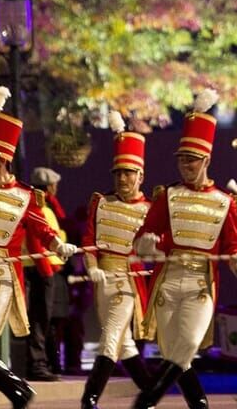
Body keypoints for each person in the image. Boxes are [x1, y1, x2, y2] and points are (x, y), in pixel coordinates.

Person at [0, 87, 79, 409]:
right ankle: (17, 391)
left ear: (2, 159)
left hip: (2, 275)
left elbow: (41, 228)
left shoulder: (25, 196)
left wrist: (58, 245)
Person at [131, 89, 237, 409]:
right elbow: (144, 236)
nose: (185, 165)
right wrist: (146, 245)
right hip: (168, 282)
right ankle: (199, 405)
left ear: (206, 160)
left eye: (192, 159)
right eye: (182, 159)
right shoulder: (166, 196)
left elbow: (232, 246)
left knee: (186, 346)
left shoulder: (225, 202)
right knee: (175, 355)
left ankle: (145, 401)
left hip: (201, 284)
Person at [79, 112, 154, 409]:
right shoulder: (101, 202)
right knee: (125, 346)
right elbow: (89, 241)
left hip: (127, 284)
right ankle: (150, 394)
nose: (122, 179)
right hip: (103, 283)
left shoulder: (150, 209)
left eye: (129, 173)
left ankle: (89, 399)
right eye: (118, 173)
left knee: (110, 339)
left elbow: (157, 249)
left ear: (140, 176)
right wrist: (92, 267)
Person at [24, 165, 67, 381]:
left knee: (44, 320)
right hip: (41, 268)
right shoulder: (42, 208)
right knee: (39, 319)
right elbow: (40, 240)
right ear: (50, 187)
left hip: (42, 267)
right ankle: (37, 365)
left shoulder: (40, 205)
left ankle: (45, 363)